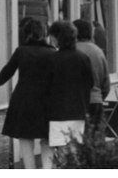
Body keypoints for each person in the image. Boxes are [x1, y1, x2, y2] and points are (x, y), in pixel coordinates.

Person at [0, 17, 55, 169]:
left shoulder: (21, 51)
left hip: (24, 100)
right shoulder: (52, 53)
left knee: (25, 140)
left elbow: (8, 70)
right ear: (44, 34)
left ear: (27, 34)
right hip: (47, 101)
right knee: (47, 138)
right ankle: (48, 170)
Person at [43, 20, 94, 167]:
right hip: (78, 112)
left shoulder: (52, 59)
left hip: (57, 113)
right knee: (73, 153)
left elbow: (45, 87)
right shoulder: (83, 58)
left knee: (56, 151)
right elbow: (90, 83)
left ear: (58, 38)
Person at [73, 18, 111, 135]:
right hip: (95, 100)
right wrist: (99, 96)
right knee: (95, 140)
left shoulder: (71, 50)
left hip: (74, 102)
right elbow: (106, 83)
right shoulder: (98, 51)